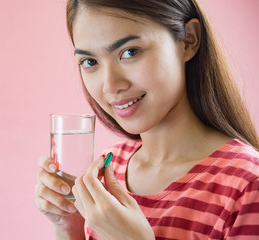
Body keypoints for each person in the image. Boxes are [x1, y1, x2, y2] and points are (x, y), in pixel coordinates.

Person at [35, 0, 259, 239]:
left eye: (130, 52)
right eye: (90, 62)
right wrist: (70, 228)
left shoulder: (248, 186)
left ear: (188, 40)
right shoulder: (110, 168)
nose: (110, 86)